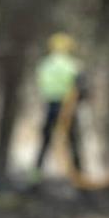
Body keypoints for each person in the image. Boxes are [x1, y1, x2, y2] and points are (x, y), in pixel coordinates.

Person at [32, 32, 84, 179]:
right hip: (67, 108)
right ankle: (80, 180)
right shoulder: (72, 65)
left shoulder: (44, 64)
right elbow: (81, 88)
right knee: (73, 144)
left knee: (44, 143)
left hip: (50, 106)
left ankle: (34, 179)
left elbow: (40, 84)